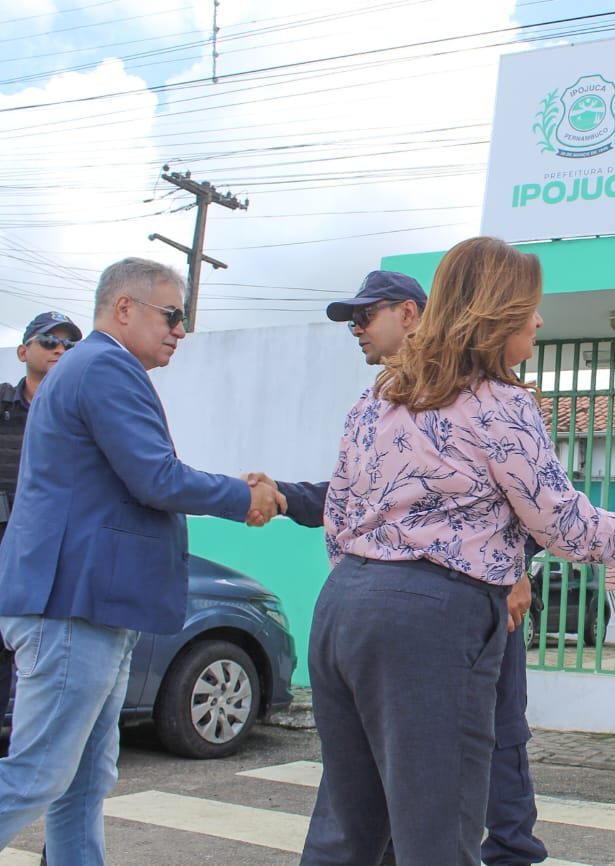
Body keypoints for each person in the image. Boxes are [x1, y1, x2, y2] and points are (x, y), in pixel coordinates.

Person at [299, 236, 615, 866]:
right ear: (497, 312)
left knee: (349, 830)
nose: (540, 319)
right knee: (438, 837)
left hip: (342, 608)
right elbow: (562, 524)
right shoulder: (500, 404)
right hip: (429, 621)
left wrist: (376, 585)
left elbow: (339, 514)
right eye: (531, 305)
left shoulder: (378, 397)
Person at [260, 269, 548, 866]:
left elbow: (351, 515)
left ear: (414, 314)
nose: (357, 329)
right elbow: (548, 513)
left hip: (366, 606)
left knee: (360, 815)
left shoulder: (377, 401)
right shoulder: (467, 399)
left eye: (368, 315)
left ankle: (516, 849)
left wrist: (367, 580)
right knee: (434, 817)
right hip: (439, 610)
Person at [0, 258, 284, 865]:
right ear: (123, 308)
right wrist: (245, 496)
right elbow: (155, 477)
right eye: (171, 314)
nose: (181, 329)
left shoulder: (94, 368)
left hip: (90, 608)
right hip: (71, 607)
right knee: (37, 776)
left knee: (80, 783)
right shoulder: (104, 366)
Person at [0, 311, 84, 755]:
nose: (59, 350)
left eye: (69, 345)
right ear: (23, 351)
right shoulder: (3, 407)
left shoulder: (80, 412)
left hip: (48, 560)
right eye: (49, 341)